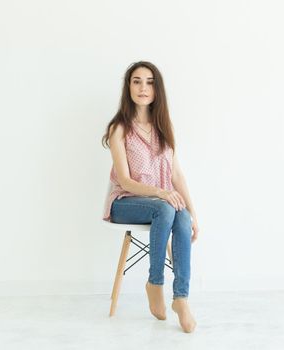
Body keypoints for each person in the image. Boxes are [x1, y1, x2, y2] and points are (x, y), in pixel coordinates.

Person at [101, 61, 199, 333]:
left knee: (177, 212)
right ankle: (154, 282)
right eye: (136, 81)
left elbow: (177, 176)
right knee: (166, 208)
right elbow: (124, 180)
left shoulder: (163, 128)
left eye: (149, 82)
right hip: (125, 203)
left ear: (157, 89)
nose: (143, 87)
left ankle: (181, 298)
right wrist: (159, 191)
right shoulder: (120, 128)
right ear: (128, 87)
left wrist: (192, 214)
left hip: (161, 204)